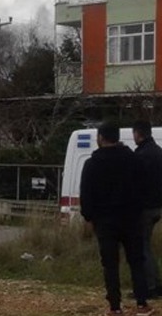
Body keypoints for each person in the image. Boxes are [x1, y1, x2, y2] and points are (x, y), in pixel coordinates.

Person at [81, 122, 154, 316]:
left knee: (110, 264)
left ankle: (115, 307)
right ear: (118, 138)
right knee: (136, 261)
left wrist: (88, 217)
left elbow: (86, 194)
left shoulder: (92, 163)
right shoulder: (135, 160)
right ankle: (142, 303)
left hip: (105, 221)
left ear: (101, 138)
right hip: (132, 219)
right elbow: (145, 188)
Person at [134, 120, 162, 299]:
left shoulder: (142, 155)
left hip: (144, 207)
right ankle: (155, 283)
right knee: (147, 246)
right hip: (157, 206)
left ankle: (149, 286)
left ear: (138, 133)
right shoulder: (158, 152)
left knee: (142, 247)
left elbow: (136, 182)